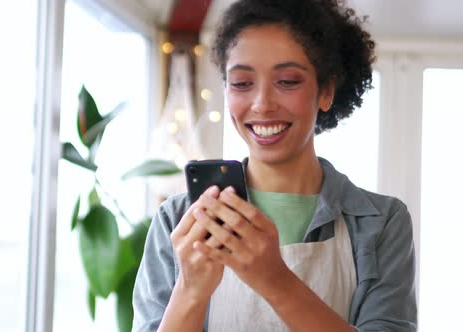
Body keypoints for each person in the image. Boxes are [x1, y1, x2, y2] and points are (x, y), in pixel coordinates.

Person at [132, 0, 417, 331]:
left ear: (326, 91)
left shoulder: (380, 223)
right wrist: (191, 290)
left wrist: (274, 279)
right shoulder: (179, 221)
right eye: (241, 83)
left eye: (287, 81)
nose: (262, 103)